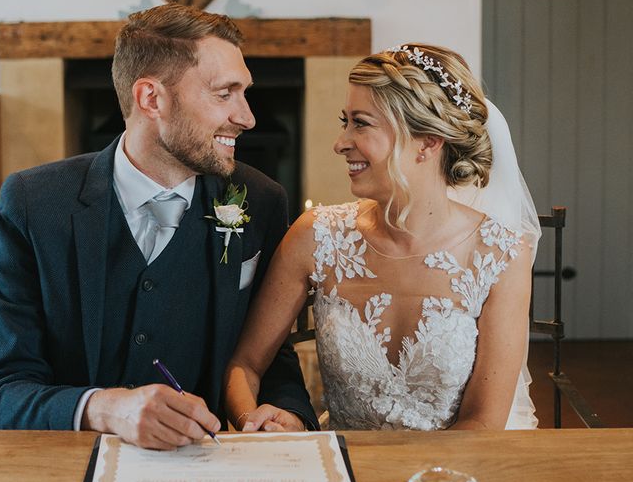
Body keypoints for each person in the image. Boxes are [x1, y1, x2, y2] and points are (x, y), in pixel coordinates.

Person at [0, 3, 317, 447]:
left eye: (244, 92)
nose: (247, 117)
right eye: (224, 93)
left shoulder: (262, 200)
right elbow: (2, 395)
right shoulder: (34, 203)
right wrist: (106, 408)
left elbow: (271, 357)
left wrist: (286, 413)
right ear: (151, 98)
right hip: (67, 474)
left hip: (208, 467)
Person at [225, 44, 540, 431]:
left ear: (427, 141)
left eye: (361, 123)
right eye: (346, 122)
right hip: (343, 470)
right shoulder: (316, 236)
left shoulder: (501, 254)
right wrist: (253, 421)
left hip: (448, 480)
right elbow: (246, 364)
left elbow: (482, 423)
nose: (340, 142)